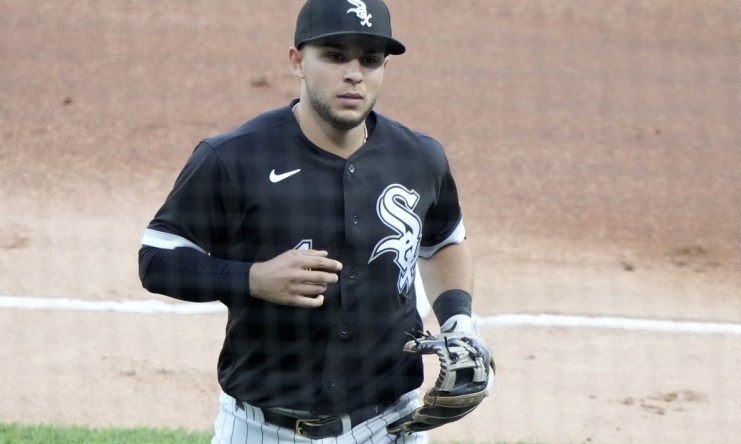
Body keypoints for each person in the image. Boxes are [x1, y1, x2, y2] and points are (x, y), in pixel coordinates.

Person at [138, 0, 491, 442]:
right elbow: (157, 258)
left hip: (391, 425)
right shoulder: (234, 158)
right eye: (335, 55)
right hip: (262, 429)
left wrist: (459, 323)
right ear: (297, 61)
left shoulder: (419, 157)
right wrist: (252, 278)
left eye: (370, 59)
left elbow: (444, 242)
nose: (354, 73)